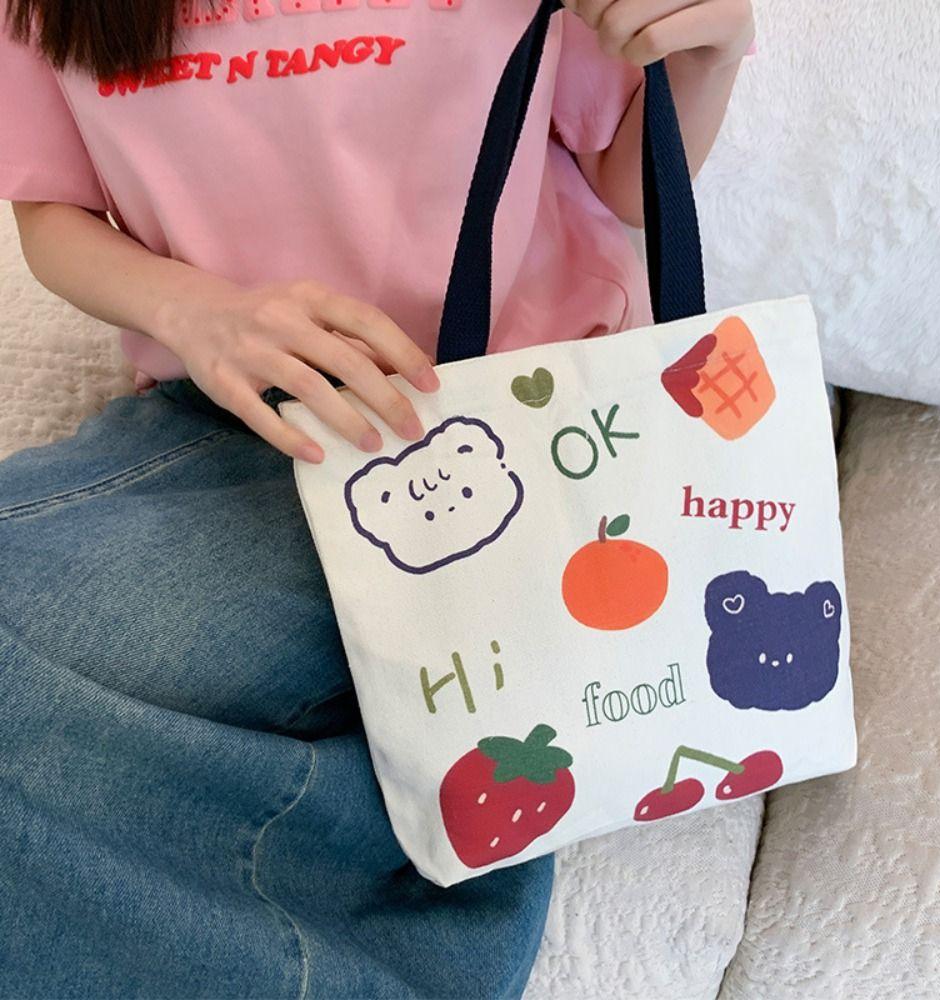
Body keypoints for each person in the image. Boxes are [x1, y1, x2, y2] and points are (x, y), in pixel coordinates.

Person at [0, 1, 754, 996]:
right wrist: (198, 311)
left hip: (513, 435)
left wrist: (710, 54)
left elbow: (629, 178)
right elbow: (51, 214)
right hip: (230, 428)